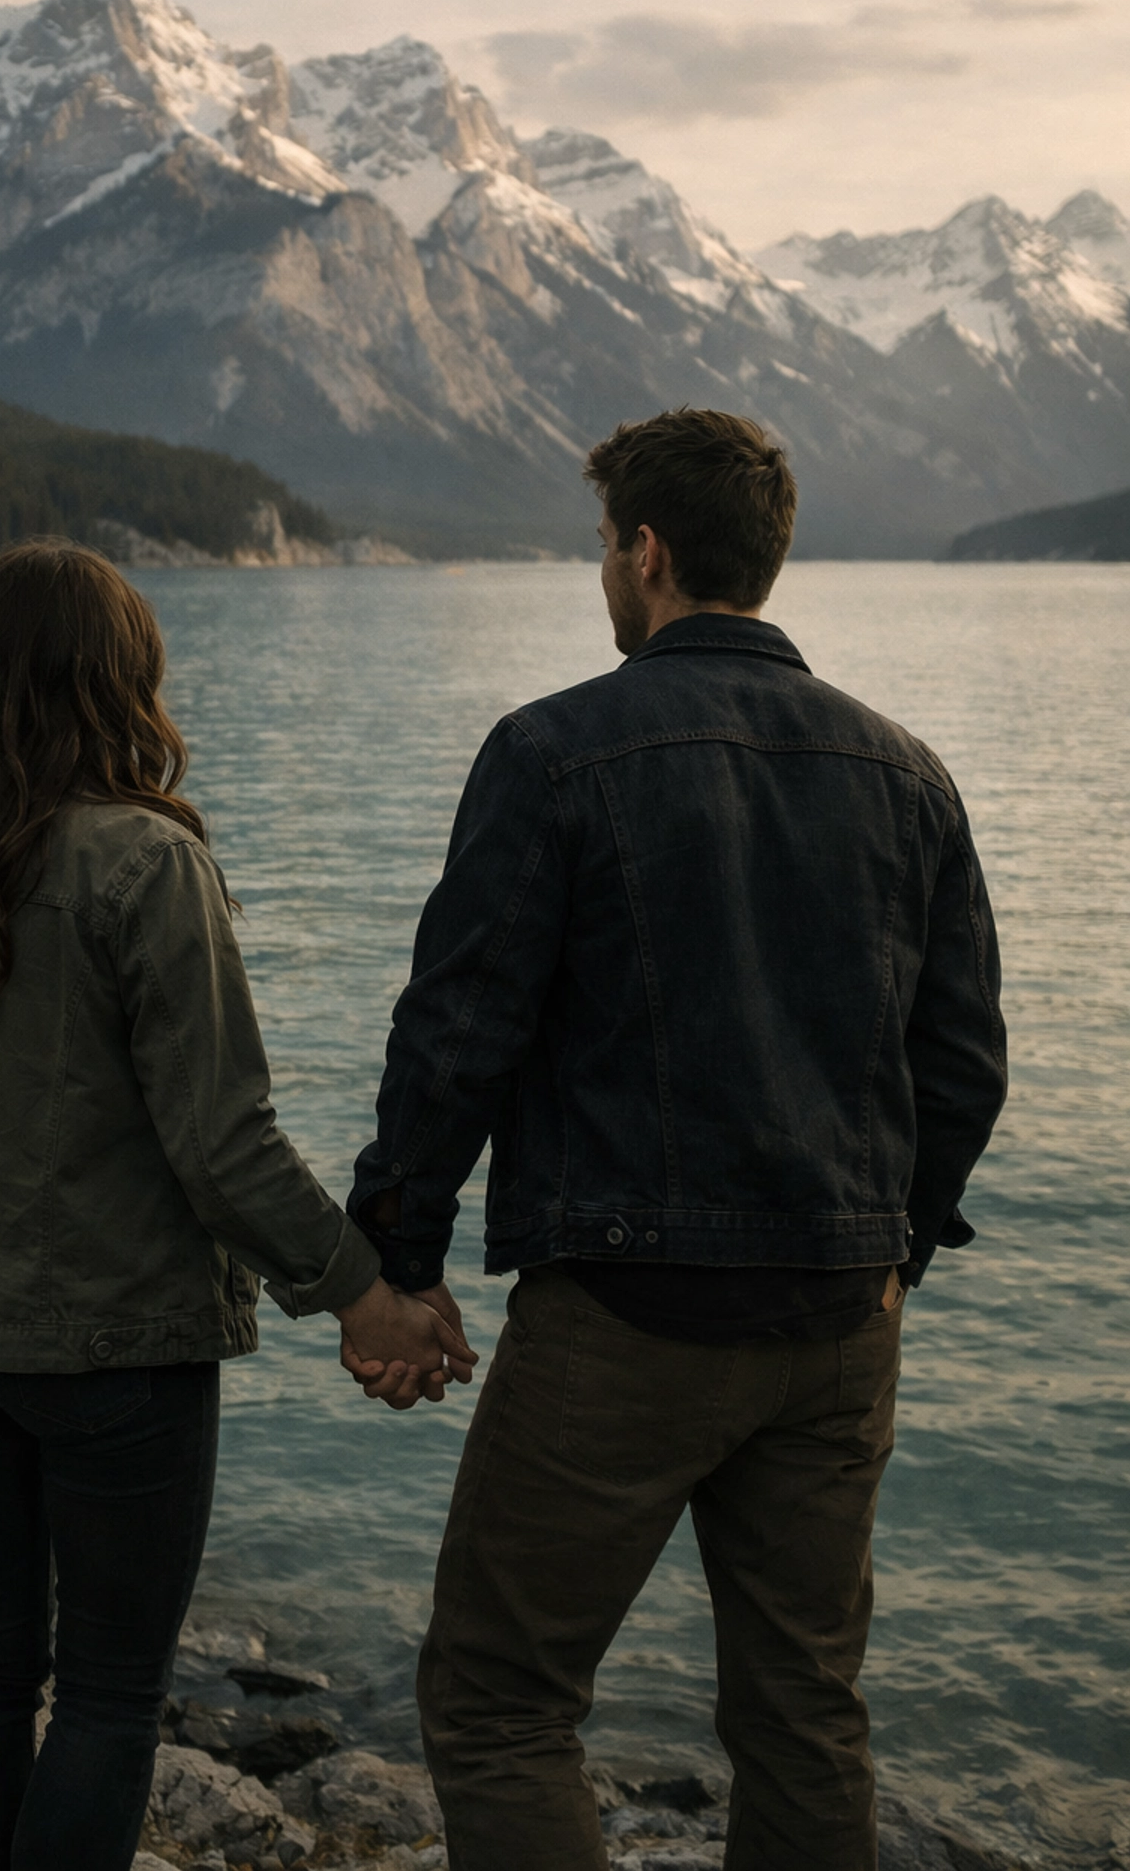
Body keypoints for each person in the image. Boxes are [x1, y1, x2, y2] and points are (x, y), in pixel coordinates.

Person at [343, 408, 1007, 1871]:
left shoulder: (552, 753)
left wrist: (395, 1265)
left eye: (602, 546)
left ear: (645, 553)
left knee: (502, 1698)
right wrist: (897, 1244)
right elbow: (962, 1065)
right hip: (841, 1322)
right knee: (805, 1712)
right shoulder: (912, 776)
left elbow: (455, 1039)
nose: (603, 571)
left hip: (626, 1319)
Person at [0, 539, 474, 1871]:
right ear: (123, 680)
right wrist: (366, 1293)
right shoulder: (144, 864)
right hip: (114, 1354)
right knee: (110, 1696)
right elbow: (222, 1145)